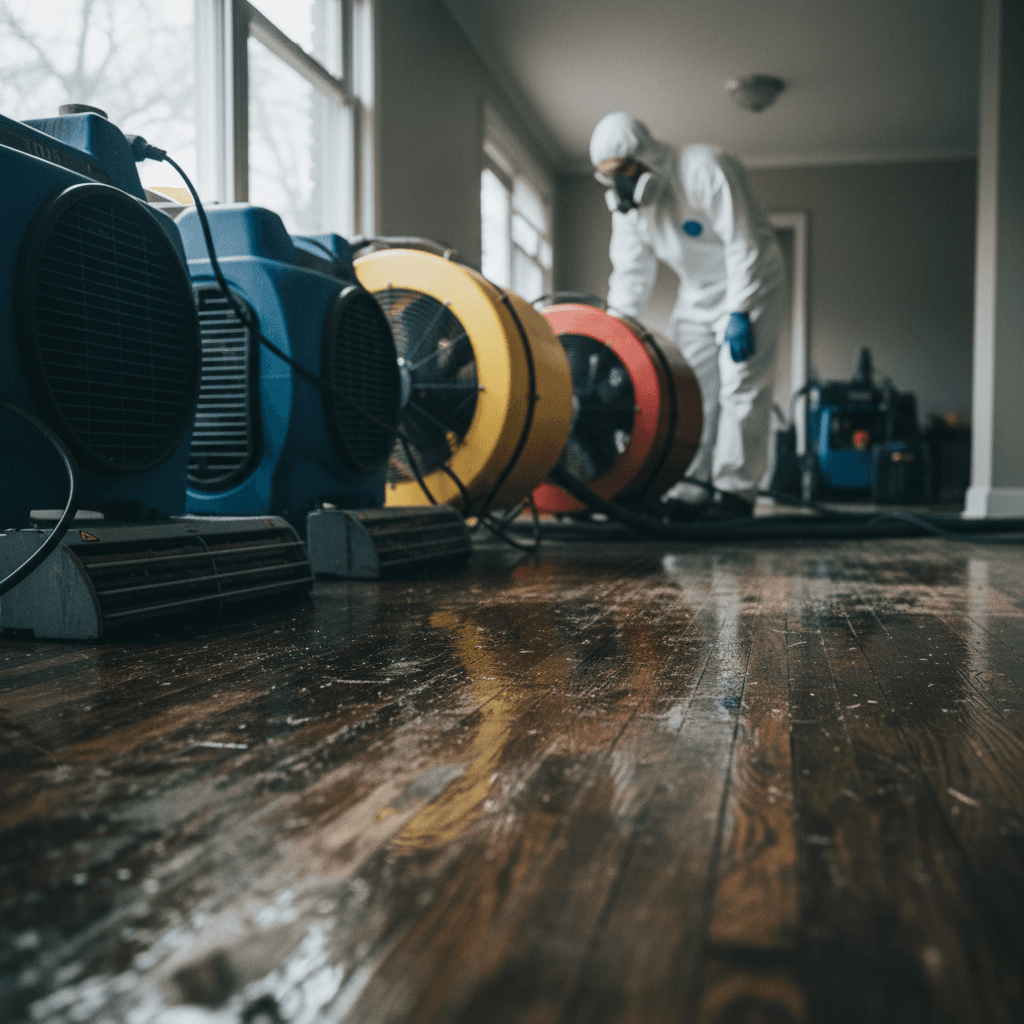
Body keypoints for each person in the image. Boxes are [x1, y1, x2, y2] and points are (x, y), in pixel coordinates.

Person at [590, 112, 784, 518]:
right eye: (609, 177)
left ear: (646, 157)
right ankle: (689, 490)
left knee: (741, 384)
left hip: (750, 283)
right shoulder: (631, 212)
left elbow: (744, 240)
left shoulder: (705, 168)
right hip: (696, 293)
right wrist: (613, 336)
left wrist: (740, 311)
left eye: (624, 172)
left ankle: (735, 494)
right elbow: (630, 275)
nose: (620, 185)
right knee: (689, 391)